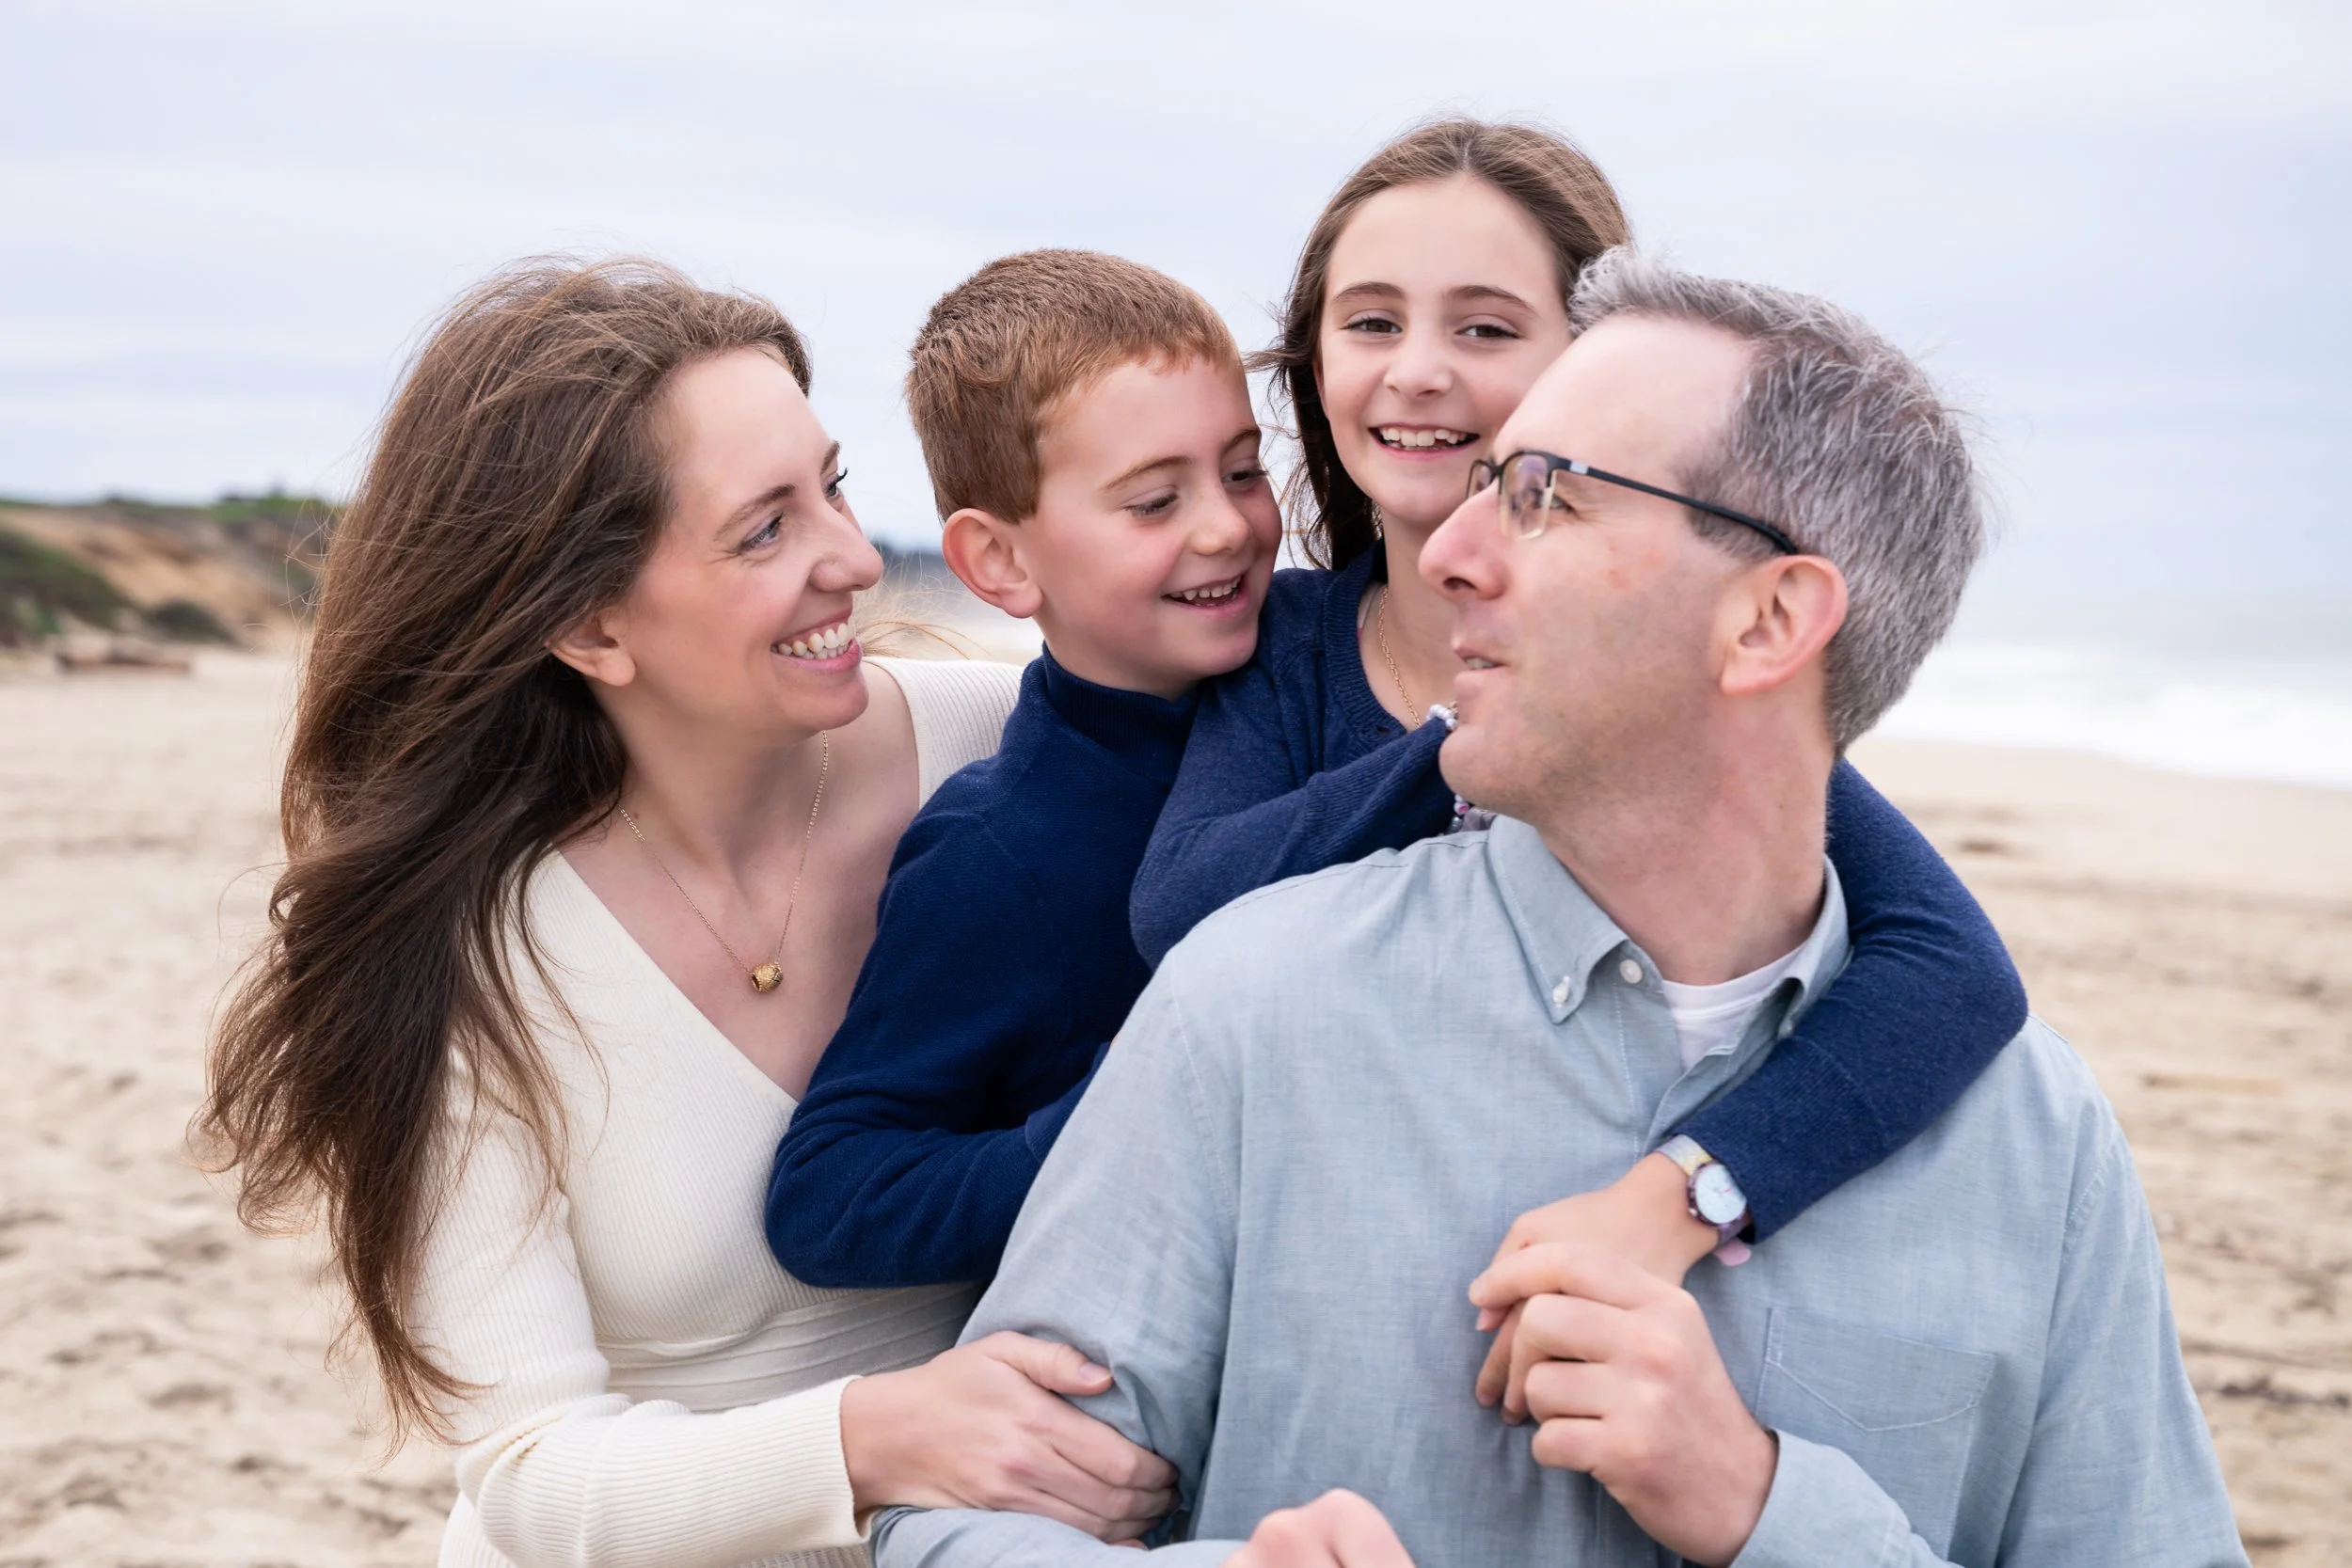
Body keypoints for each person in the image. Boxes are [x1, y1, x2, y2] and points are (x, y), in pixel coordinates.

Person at [872, 252, 2247, 1566]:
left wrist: (1770, 1507)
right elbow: (951, 1521)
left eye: (1544, 495)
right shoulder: (1248, 1007)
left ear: (1770, 621)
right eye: (1480, 487)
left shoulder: (2037, 1146)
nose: (1451, 551)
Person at [199, 258, 1174, 1568]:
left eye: (831, 486)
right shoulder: (467, 952)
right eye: (763, 528)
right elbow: (531, 1472)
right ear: (593, 627)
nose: (850, 559)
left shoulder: (1014, 750)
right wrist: (867, 1438)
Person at [1129, 120, 2029, 1310]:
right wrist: (1467, 734)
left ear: (1593, 367)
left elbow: (1956, 971)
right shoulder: (1278, 641)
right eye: (1371, 321)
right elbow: (1180, 909)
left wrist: (1686, 1194)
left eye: (1486, 327)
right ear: (1313, 361)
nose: (1415, 370)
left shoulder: (1653, 707)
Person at [766, 251, 1279, 1287]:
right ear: (1000, 563)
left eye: (1241, 469)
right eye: (1152, 501)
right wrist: (1120, 1125)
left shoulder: (1325, 680)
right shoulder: (998, 852)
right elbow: (830, 1195)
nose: (1227, 526)